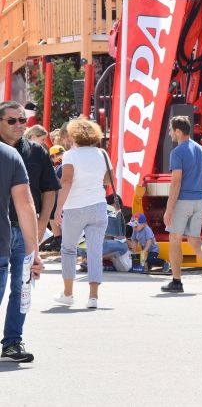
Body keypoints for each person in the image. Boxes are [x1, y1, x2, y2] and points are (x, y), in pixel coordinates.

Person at [0, 108, 46, 363]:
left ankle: (12, 342)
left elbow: (34, 201)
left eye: (22, 120)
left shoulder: (30, 152)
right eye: (12, 120)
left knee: (19, 289)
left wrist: (32, 252)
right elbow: (24, 203)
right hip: (4, 240)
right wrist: (34, 253)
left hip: (10, 238)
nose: (19, 125)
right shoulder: (9, 156)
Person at [161, 116, 202, 293]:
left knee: (175, 238)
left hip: (183, 201)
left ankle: (176, 281)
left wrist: (169, 208)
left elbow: (176, 182)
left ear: (178, 131)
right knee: (195, 240)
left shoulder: (178, 153)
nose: (170, 133)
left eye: (171, 129)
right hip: (199, 200)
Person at [53, 119, 111, 309]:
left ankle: (68, 294)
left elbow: (67, 182)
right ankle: (93, 297)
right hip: (98, 206)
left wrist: (58, 208)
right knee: (95, 251)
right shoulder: (102, 154)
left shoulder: (70, 156)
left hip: (74, 207)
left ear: (73, 136)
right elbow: (108, 179)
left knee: (69, 249)